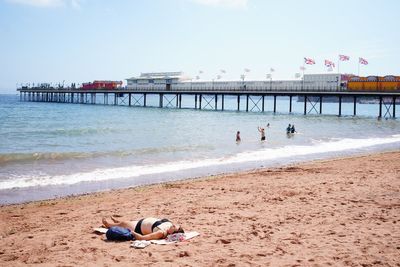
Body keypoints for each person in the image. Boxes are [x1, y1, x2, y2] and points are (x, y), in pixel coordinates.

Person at [102, 216, 184, 240]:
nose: (173, 225)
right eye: (174, 225)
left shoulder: (161, 233)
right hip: (141, 221)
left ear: (171, 233)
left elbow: (142, 238)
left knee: (124, 223)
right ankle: (117, 223)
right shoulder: (169, 225)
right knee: (125, 222)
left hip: (138, 227)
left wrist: (132, 232)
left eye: (174, 227)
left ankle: (109, 225)